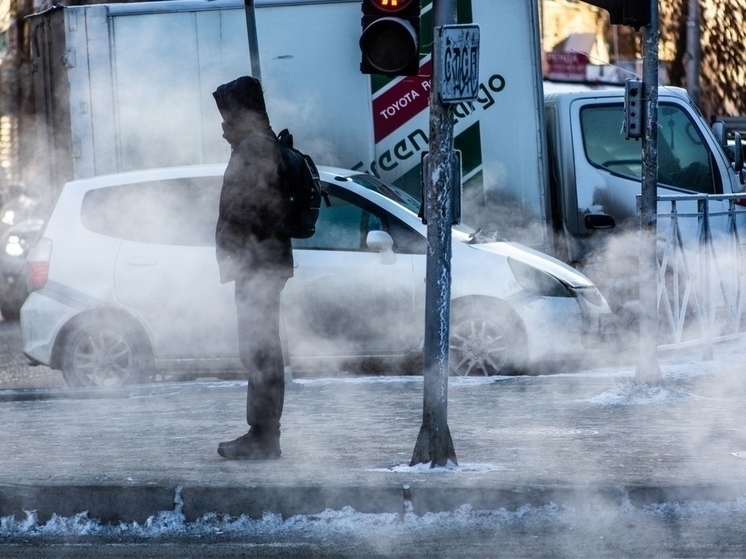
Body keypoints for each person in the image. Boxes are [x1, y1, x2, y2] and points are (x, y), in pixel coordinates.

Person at [212, 76, 293, 460]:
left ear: (243, 116)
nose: (223, 128)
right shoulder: (264, 142)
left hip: (258, 264)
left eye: (228, 120)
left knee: (259, 349)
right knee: (260, 348)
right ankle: (263, 435)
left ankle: (263, 438)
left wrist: (228, 247)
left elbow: (243, 207)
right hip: (263, 262)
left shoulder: (254, 148)